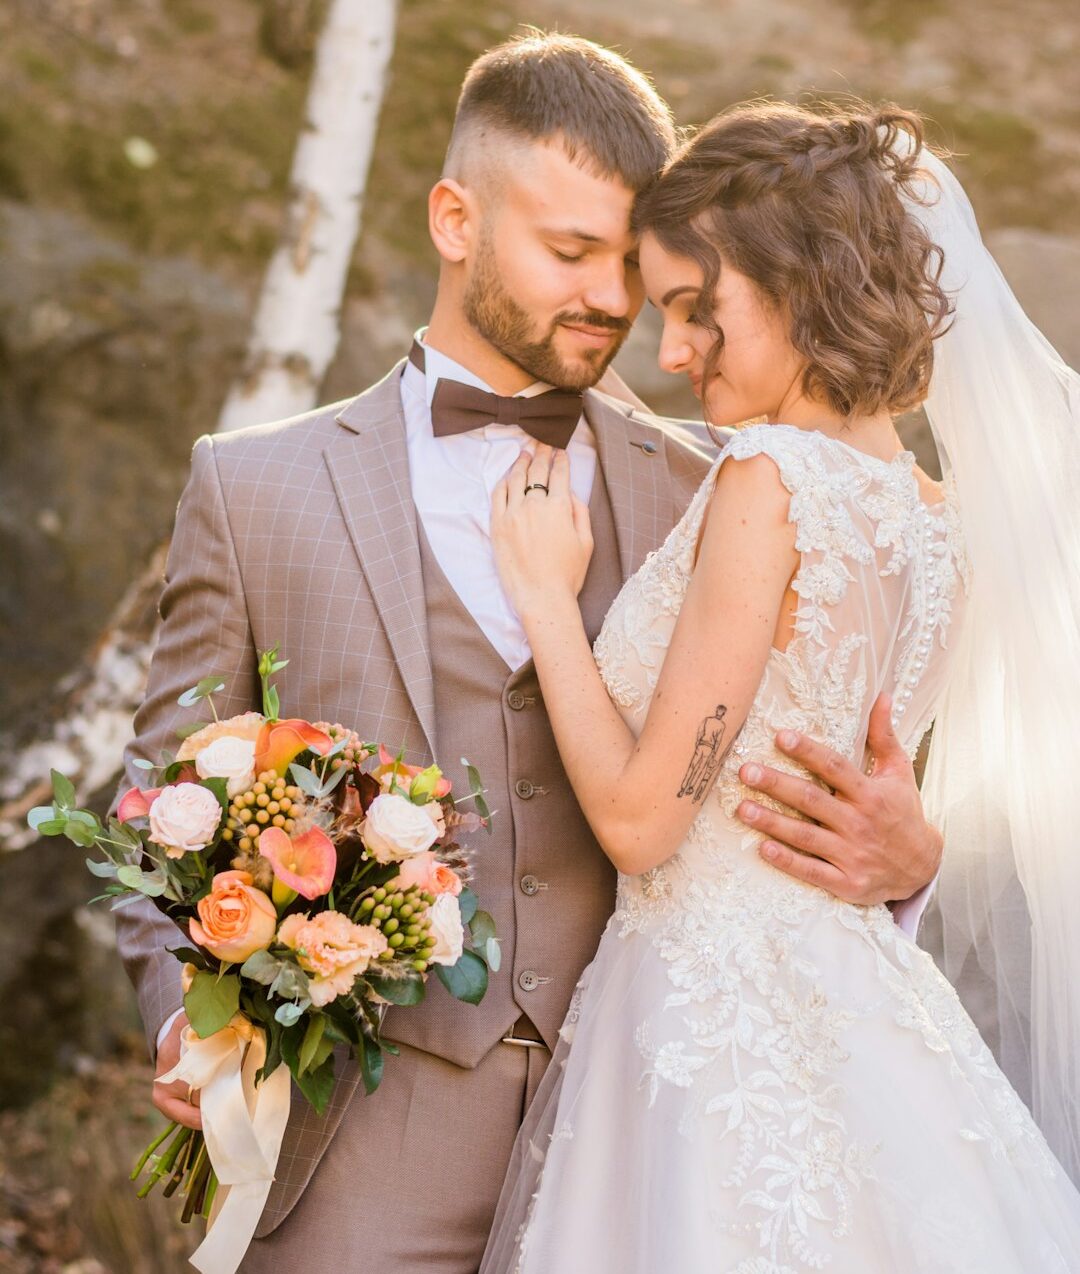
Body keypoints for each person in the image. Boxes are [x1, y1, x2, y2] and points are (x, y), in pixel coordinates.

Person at [114, 37, 943, 1272]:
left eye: (631, 262)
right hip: (359, 1153)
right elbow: (157, 800)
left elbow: (856, 738)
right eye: (569, 252)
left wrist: (911, 854)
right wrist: (189, 1017)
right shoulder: (254, 490)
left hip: (658, 1141)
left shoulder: (727, 477)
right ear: (456, 217)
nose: (612, 299)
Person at [479, 100, 1080, 1273]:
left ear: (803, 282)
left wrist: (548, 599)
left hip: (717, 1013)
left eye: (701, 308)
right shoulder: (941, 521)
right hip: (862, 1004)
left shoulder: (766, 477)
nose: (672, 350)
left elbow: (646, 823)